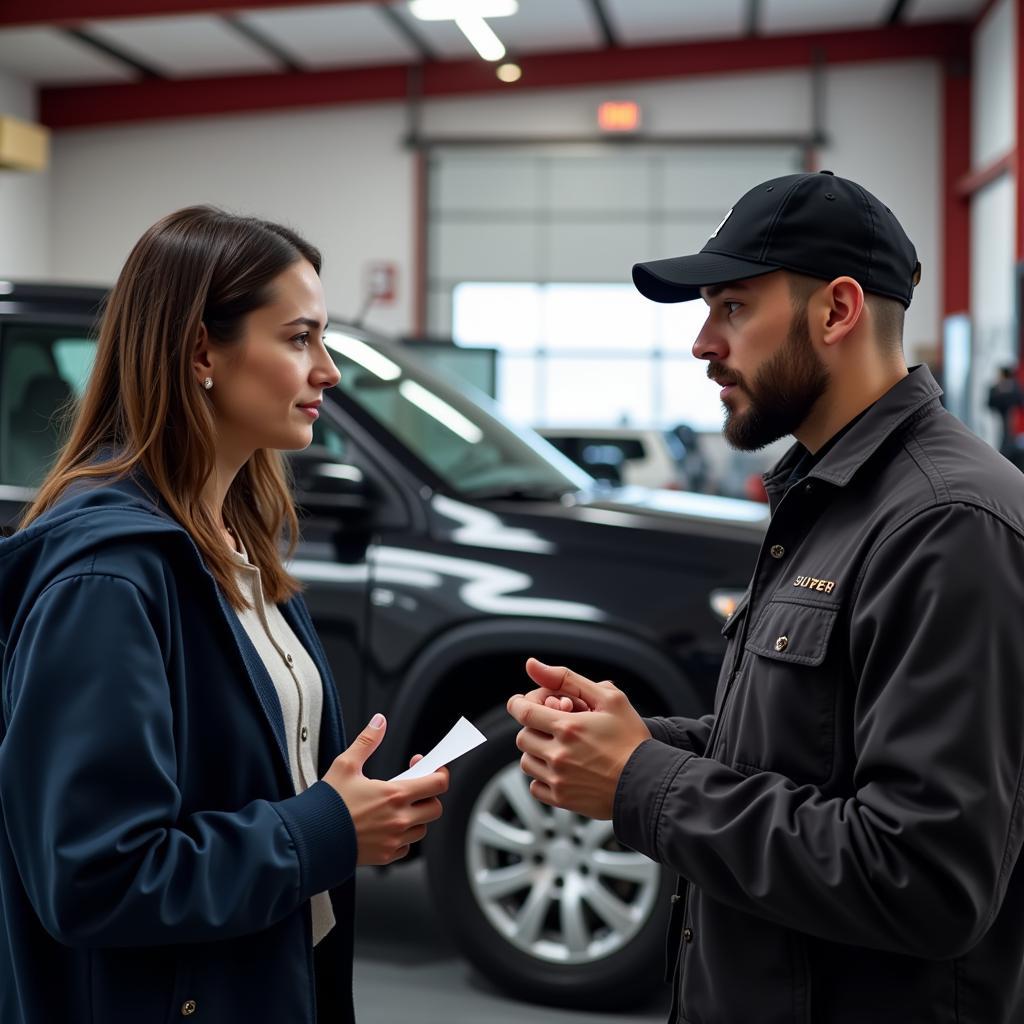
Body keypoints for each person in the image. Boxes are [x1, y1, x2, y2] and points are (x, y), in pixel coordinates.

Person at [507, 171, 1024, 1022]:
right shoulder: (826, 498)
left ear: (837, 310)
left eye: (733, 307)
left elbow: (925, 877)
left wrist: (643, 781)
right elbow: (811, 753)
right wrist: (636, 741)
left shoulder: (946, 523)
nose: (704, 342)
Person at [0, 207, 449, 1024]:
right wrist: (322, 830)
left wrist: (354, 813)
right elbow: (95, 878)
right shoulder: (108, 578)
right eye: (299, 338)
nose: (329, 372)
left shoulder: (238, 542)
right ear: (202, 351)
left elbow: (237, 791)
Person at [987, 364, 1023, 460]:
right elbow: (990, 403)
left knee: (1008, 439)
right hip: (998, 418)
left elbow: (1019, 401)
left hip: (1010, 420)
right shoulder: (995, 388)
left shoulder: (1014, 388)